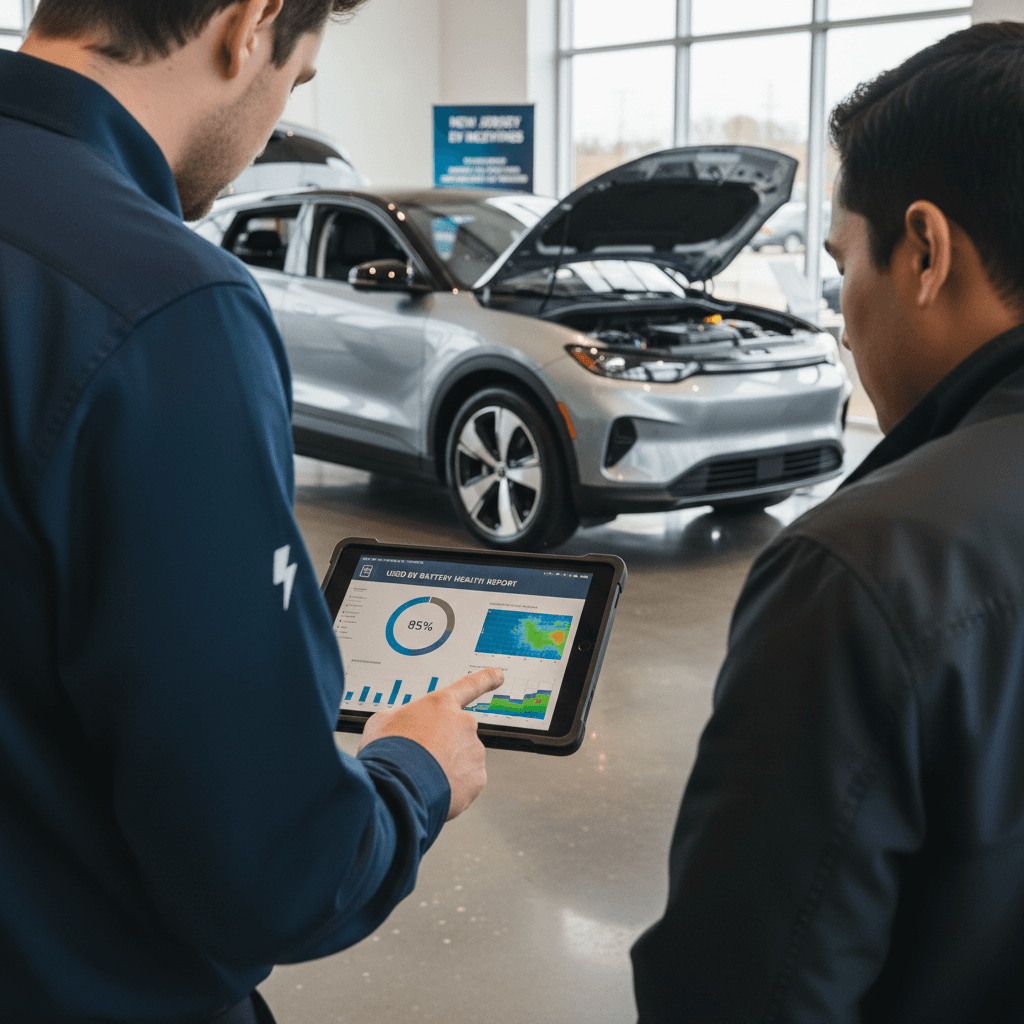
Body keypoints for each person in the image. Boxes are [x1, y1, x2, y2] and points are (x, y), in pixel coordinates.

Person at [0, 2, 502, 1022]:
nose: (275, 123)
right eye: (296, 80)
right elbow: (273, 869)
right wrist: (414, 772)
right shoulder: (165, 304)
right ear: (251, 24)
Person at [631, 21, 1024, 1024]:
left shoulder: (865, 570)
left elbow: (739, 993)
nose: (843, 315)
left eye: (844, 261)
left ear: (925, 251)